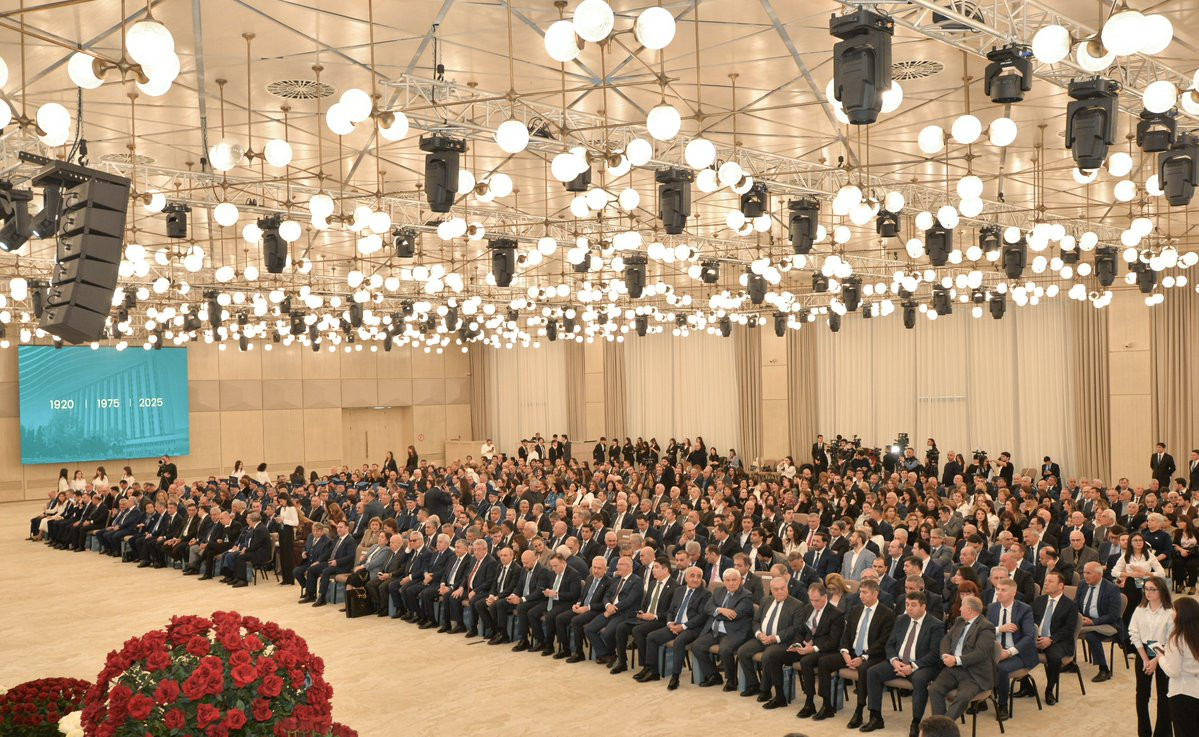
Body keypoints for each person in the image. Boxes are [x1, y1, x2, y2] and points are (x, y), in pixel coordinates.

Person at [861, 590, 945, 737]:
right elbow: (890, 644)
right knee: (873, 672)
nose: (909, 608)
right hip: (898, 662)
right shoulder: (901, 619)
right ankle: (876, 717)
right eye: (907, 604)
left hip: (921, 665)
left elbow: (934, 654)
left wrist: (912, 667)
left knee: (919, 679)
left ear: (923, 606)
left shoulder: (935, 624)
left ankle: (916, 723)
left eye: (913, 605)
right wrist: (894, 661)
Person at [817, 578, 895, 727]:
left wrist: (863, 658)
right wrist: (845, 652)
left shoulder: (887, 613)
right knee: (824, 661)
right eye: (860, 592)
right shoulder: (856, 610)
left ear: (875, 594)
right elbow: (846, 634)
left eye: (865, 592)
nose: (861, 595)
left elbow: (883, 641)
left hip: (873, 655)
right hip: (852, 653)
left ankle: (859, 710)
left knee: (864, 669)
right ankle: (827, 705)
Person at [737, 576, 805, 701]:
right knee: (742, 651)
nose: (779, 592)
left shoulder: (797, 605)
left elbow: (795, 628)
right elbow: (756, 621)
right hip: (763, 638)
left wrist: (775, 638)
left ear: (787, 588)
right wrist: (759, 634)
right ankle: (753, 684)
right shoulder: (765, 600)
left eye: (782, 588)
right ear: (771, 590)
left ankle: (765, 690)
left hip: (782, 641)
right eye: (776, 589)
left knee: (768, 655)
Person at [928, 595, 996, 720]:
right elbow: (946, 639)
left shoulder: (986, 627)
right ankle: (939, 723)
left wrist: (956, 660)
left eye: (962, 606)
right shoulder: (960, 621)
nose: (959, 609)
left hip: (973, 673)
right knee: (934, 689)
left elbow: (981, 653)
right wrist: (945, 656)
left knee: (962, 697)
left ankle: (944, 726)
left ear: (969, 610)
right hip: (953, 669)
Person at [689, 568, 755, 690]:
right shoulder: (718, 590)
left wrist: (715, 612)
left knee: (725, 650)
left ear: (740, 580)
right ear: (723, 581)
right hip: (715, 630)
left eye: (734, 580)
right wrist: (721, 610)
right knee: (696, 646)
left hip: (734, 632)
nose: (731, 583)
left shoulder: (746, 595)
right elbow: (707, 608)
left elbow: (734, 615)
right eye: (728, 580)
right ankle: (714, 675)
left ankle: (731, 680)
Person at [986, 578, 1038, 719]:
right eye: (997, 589)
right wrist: (999, 629)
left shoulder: (1024, 609)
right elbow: (984, 631)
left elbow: (1029, 637)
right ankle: (981, 700)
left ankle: (1003, 705)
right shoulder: (992, 607)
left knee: (1002, 668)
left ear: (1013, 593)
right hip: (996, 650)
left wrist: (1009, 652)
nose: (999, 593)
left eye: (1003, 590)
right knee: (976, 661)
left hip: (1019, 653)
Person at [1129, 575, 1173, 737]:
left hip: (1164, 654)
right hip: (1144, 653)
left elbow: (1171, 640)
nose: (1148, 592)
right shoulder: (1140, 610)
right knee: (1142, 695)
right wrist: (1146, 659)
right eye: (1146, 589)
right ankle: (1144, 733)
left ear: (1161, 591)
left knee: (1164, 696)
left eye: (1152, 589)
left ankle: (1162, 733)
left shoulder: (1170, 612)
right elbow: (1134, 634)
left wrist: (1156, 660)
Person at [1032, 570, 1077, 705]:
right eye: (1046, 581)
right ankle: (1026, 685)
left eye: (1050, 581)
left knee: (1054, 657)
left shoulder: (1070, 605)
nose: (1046, 584)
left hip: (1058, 640)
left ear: (1060, 585)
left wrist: (1050, 639)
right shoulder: (1039, 601)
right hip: (1037, 638)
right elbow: (1030, 621)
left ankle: (1049, 689)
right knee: (1018, 649)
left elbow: (1069, 629)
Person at [1078, 560, 1127, 682]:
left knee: (1091, 636)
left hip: (1106, 623)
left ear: (1099, 574)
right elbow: (1075, 604)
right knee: (1066, 627)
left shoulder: (1112, 589)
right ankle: (1069, 662)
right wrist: (1079, 617)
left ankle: (1104, 669)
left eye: (1088, 573)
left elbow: (1113, 615)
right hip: (1085, 620)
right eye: (1084, 572)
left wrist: (1093, 622)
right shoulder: (1082, 584)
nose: (1085, 576)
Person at [1161, 597, 1199, 737]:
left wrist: (1160, 658)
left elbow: (1173, 671)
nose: (1172, 612)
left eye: (1174, 610)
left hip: (1181, 693)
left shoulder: (1177, 639)